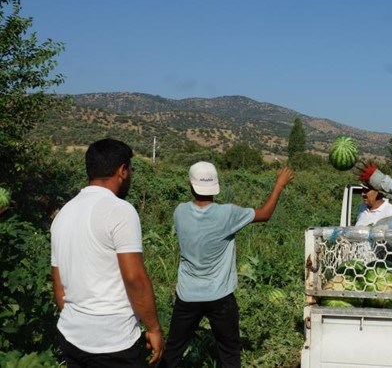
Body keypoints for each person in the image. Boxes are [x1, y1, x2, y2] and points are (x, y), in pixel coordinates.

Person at [161, 161, 294, 368]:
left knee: (173, 350)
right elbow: (265, 214)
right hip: (220, 297)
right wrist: (279, 185)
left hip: (187, 295)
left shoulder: (180, 212)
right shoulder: (227, 214)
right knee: (229, 351)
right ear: (215, 186)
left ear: (191, 185)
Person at [51, 138, 164, 366]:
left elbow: (59, 282)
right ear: (122, 171)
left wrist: (79, 321)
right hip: (114, 342)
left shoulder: (64, 213)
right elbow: (134, 278)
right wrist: (153, 328)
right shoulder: (119, 210)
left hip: (71, 336)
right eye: (130, 169)